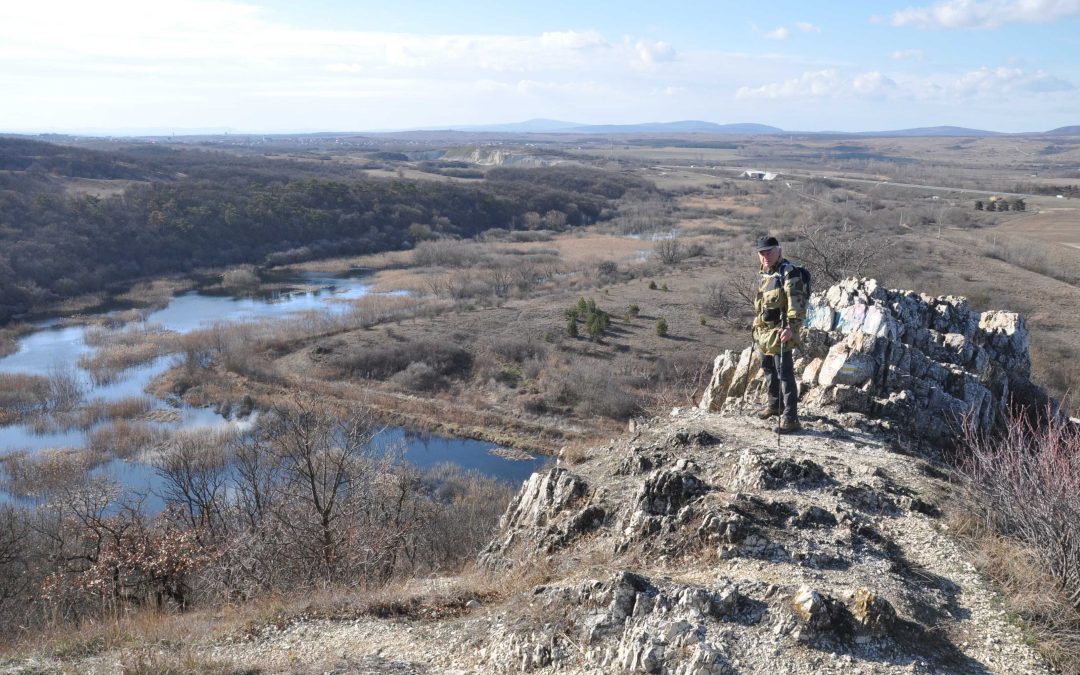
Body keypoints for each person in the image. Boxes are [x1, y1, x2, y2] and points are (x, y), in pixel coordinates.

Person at [752, 235, 807, 433]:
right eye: (762, 253)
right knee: (768, 369)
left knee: (784, 373)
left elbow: (796, 304)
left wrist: (791, 328)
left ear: (779, 251)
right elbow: (763, 304)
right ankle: (775, 405)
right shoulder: (766, 274)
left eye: (769, 252)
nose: (765, 256)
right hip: (764, 332)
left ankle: (791, 419)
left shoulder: (788, 273)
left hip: (781, 332)